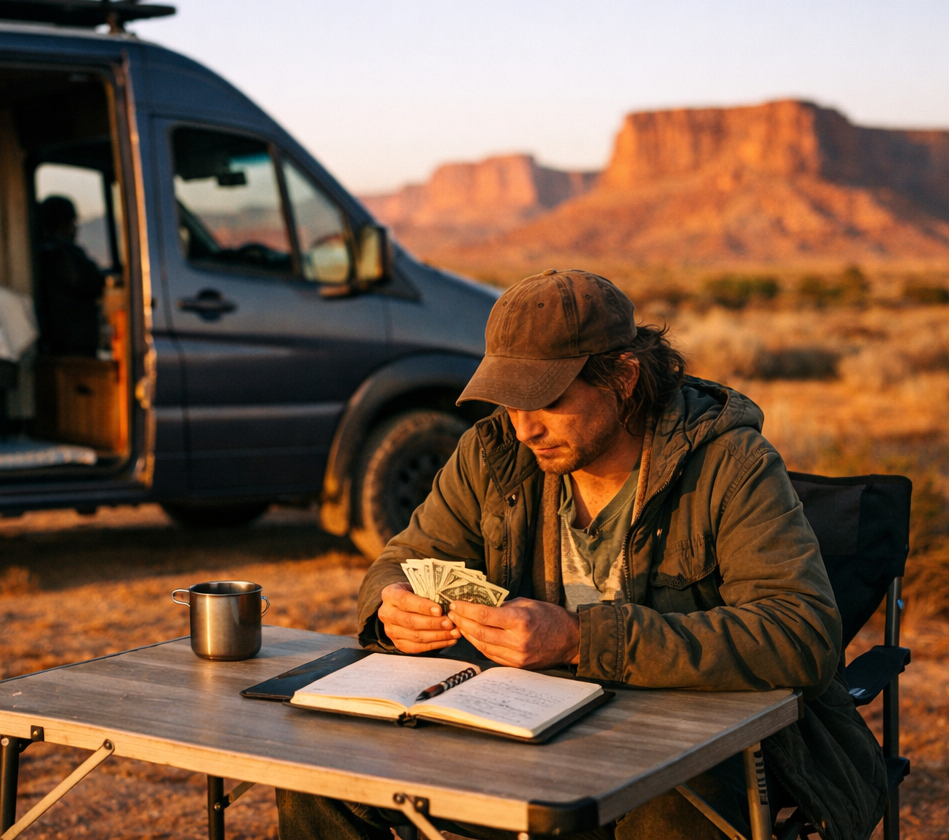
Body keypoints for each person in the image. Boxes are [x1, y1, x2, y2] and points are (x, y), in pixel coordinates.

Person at [277, 270, 887, 840]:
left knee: (661, 795)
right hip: (523, 722)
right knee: (320, 778)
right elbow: (403, 559)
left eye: (545, 401)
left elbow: (802, 635)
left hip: (692, 740)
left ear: (623, 377)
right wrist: (392, 608)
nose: (523, 428)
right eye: (509, 402)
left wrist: (577, 640)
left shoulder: (732, 463)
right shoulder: (492, 455)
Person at [34, 195, 104, 357]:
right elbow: (92, 282)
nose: (76, 228)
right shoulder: (63, 254)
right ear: (63, 224)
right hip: (72, 346)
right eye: (73, 222)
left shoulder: (45, 251)